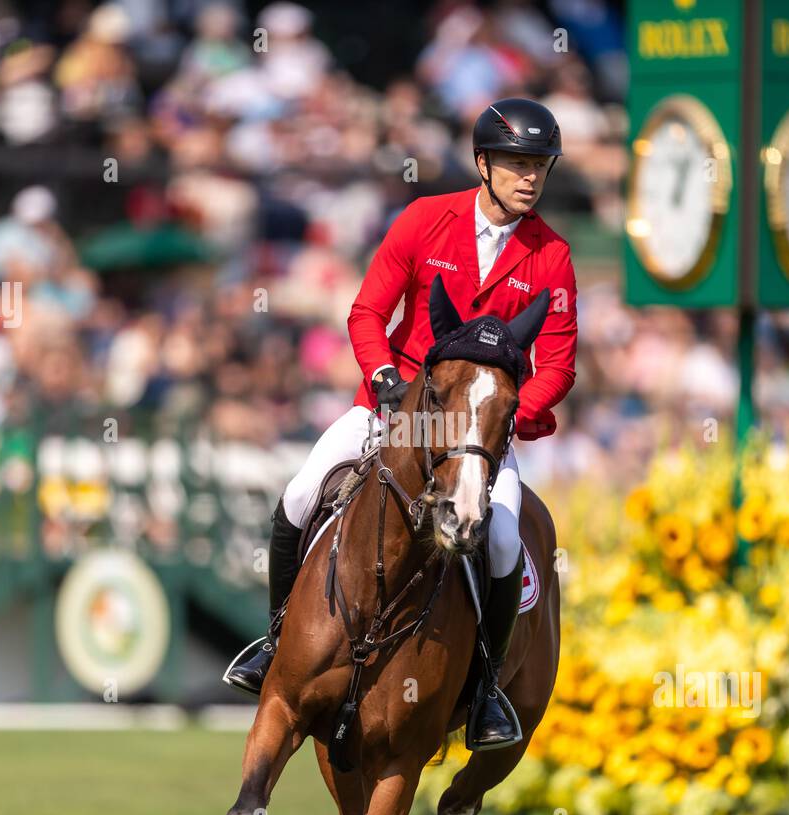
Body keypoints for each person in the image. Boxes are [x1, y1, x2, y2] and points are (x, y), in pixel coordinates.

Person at [224, 98, 578, 750]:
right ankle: (275, 640)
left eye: (540, 166)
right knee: (301, 493)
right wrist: (385, 379)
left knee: (501, 539)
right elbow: (366, 313)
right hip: (397, 410)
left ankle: (486, 691)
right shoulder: (423, 220)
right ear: (483, 163)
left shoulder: (550, 256)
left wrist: (501, 421)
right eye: (517, 163)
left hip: (478, 432)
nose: (530, 177)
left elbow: (557, 364)